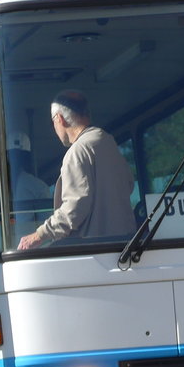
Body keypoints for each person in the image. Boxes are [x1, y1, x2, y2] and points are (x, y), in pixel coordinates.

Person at [17, 90, 135, 250]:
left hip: (93, 254)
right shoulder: (107, 142)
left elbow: (74, 208)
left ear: (60, 118)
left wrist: (39, 234)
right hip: (126, 248)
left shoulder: (77, 151)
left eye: (53, 122)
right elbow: (129, 184)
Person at [6, 132, 50, 237]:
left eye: (18, 156)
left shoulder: (39, 188)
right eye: (11, 155)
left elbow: (47, 229)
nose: (13, 161)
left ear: (26, 158)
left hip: (33, 249)